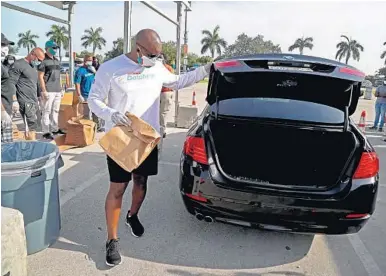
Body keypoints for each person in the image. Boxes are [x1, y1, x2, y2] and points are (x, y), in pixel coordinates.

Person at [88, 29, 211, 267]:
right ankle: (112, 240)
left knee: (141, 182)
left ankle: (132, 216)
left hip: (148, 137)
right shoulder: (111, 68)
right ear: (138, 48)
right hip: (122, 137)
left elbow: (178, 81)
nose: (157, 59)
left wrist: (205, 69)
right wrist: (110, 113)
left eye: (159, 55)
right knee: (118, 187)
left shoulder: (155, 67)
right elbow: (94, 99)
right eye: (153, 54)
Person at [8, 48, 45, 141]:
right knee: (30, 127)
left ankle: (33, 144)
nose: (39, 62)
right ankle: (31, 147)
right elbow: (11, 83)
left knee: (35, 126)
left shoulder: (33, 66)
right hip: (25, 102)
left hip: (33, 100)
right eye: (39, 60)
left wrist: (39, 97)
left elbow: (35, 83)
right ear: (32, 54)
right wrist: (14, 100)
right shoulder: (18, 65)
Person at [38, 40, 64, 140]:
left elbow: (59, 75)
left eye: (56, 48)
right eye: (53, 48)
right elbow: (40, 77)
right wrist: (44, 91)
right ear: (47, 48)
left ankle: (55, 128)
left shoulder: (57, 61)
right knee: (46, 111)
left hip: (57, 89)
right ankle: (45, 132)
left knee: (55, 110)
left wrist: (61, 88)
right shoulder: (43, 62)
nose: (55, 50)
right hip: (48, 90)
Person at [74, 55, 100, 127]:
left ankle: (96, 127)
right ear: (85, 60)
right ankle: (87, 128)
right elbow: (77, 83)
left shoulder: (92, 69)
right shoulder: (80, 71)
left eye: (91, 60)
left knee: (95, 112)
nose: (90, 62)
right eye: (89, 60)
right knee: (87, 113)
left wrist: (95, 72)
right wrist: (79, 95)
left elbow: (98, 80)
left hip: (94, 94)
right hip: (85, 95)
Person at [1, 33, 15, 143]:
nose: (5, 48)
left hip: (7, 105)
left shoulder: (3, 65)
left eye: (6, 45)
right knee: (6, 147)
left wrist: (14, 101)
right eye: (2, 45)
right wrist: (2, 111)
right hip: (2, 109)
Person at [159, 53, 174, 138]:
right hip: (165, 93)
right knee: (162, 113)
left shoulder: (163, 69)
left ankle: (162, 130)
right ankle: (161, 129)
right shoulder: (169, 68)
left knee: (162, 113)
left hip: (164, 92)